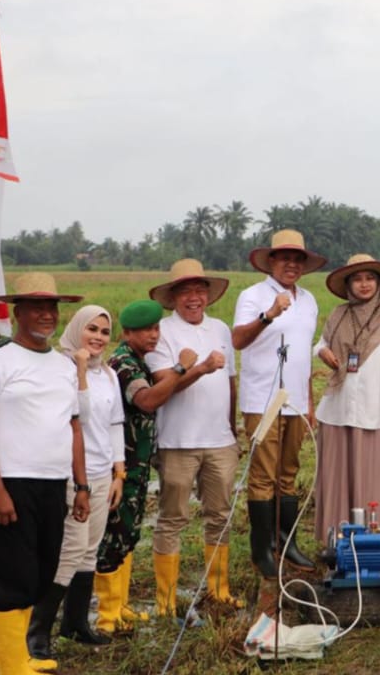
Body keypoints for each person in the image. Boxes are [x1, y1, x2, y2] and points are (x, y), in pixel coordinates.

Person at [0, 272, 89, 675]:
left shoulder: (63, 365)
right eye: (36, 306)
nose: (46, 314)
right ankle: (12, 664)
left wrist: (81, 485)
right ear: (18, 311)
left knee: (41, 571)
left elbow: (72, 426)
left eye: (51, 307)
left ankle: (13, 656)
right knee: (13, 574)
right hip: (12, 483)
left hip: (54, 485)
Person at [93, 300, 196, 634]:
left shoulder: (138, 360)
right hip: (119, 466)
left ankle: (120, 606)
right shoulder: (123, 364)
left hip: (135, 464)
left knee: (128, 533)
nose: (154, 335)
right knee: (114, 536)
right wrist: (181, 369)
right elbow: (148, 400)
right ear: (127, 333)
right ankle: (107, 617)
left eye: (156, 329)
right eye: (146, 330)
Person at [27, 306, 123, 661]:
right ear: (77, 330)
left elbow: (115, 423)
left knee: (88, 551)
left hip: (101, 474)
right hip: (70, 474)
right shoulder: (61, 369)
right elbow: (76, 416)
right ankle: (37, 633)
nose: (98, 337)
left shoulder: (109, 374)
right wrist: (81, 370)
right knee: (69, 551)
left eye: (104, 332)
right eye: (91, 329)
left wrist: (119, 472)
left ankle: (76, 624)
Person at [146, 259, 241, 617]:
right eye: (185, 291)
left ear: (208, 295)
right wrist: (198, 368)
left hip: (220, 441)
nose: (194, 297)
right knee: (173, 518)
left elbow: (229, 381)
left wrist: (232, 431)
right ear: (172, 297)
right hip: (178, 442)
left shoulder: (220, 328)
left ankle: (219, 590)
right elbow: (163, 385)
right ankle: (165, 602)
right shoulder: (163, 333)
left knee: (219, 515)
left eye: (199, 290)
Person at [232, 229, 326, 578]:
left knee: (288, 474)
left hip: (297, 401)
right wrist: (268, 314)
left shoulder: (310, 301)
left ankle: (288, 543)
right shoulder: (253, 296)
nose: (291, 264)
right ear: (270, 261)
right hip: (263, 400)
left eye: (297, 259)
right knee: (263, 476)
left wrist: (310, 403)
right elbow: (239, 340)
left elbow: (302, 357)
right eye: (284, 257)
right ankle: (262, 550)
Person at [313, 254, 380, 541]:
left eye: (370, 278)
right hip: (338, 409)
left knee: (374, 474)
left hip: (376, 410)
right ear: (348, 284)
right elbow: (322, 341)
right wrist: (321, 351)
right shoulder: (338, 314)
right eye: (357, 279)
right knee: (338, 473)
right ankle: (337, 537)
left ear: (379, 283)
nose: (364, 284)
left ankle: (378, 537)